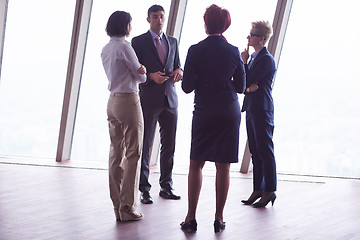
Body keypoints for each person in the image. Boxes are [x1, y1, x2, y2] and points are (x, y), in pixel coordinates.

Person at [180, 4, 246, 233]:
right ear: (225, 24)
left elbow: (187, 87)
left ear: (206, 23)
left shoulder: (195, 50)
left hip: (205, 109)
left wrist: (201, 81)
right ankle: (219, 218)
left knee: (196, 164)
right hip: (228, 109)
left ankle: (191, 217)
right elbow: (241, 86)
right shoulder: (234, 51)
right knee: (223, 166)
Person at [131, 4, 183, 204]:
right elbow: (134, 71)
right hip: (149, 100)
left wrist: (180, 71)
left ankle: (166, 186)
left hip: (170, 99)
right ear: (148, 19)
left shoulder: (173, 41)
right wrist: (150, 76)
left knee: (169, 145)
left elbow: (178, 64)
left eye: (162, 16)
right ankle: (144, 189)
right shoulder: (139, 42)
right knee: (145, 145)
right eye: (155, 16)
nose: (159, 20)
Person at [101, 11, 147, 221]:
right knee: (133, 153)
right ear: (125, 26)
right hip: (128, 100)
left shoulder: (106, 48)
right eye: (130, 23)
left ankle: (117, 206)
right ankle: (128, 207)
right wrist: (142, 71)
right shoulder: (125, 47)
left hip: (112, 101)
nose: (131, 26)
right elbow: (141, 76)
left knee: (115, 152)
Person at [240, 21, 277, 208]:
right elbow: (243, 83)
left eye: (252, 35)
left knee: (265, 150)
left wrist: (244, 62)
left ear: (261, 39)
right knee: (255, 150)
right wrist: (247, 89)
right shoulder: (256, 57)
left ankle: (269, 189)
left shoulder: (265, 59)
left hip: (262, 109)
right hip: (252, 107)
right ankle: (258, 188)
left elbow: (248, 79)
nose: (249, 38)